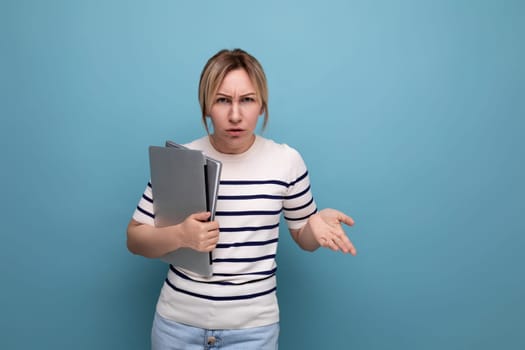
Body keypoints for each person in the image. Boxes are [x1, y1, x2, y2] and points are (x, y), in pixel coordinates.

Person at [127, 48, 357, 350]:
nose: (235, 115)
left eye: (246, 100)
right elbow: (135, 239)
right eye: (223, 100)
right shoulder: (180, 160)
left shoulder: (286, 161)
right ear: (206, 105)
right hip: (177, 327)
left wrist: (315, 226)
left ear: (261, 105)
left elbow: (303, 237)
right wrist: (181, 235)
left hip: (253, 333)